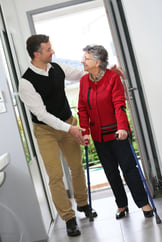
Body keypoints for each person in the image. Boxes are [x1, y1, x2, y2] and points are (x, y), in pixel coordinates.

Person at [19, 35, 124, 237]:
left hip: (68, 123)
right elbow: (41, 114)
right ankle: (69, 218)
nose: (53, 52)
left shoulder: (57, 68)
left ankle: (83, 205)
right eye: (48, 49)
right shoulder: (26, 83)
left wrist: (107, 71)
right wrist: (71, 129)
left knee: (76, 168)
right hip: (45, 131)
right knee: (56, 176)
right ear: (36, 54)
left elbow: (81, 74)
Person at [78, 44, 153, 220]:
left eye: (86, 58)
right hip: (98, 136)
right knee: (111, 172)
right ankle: (121, 205)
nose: (83, 61)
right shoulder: (84, 81)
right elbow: (82, 108)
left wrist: (122, 128)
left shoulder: (112, 78)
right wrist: (85, 132)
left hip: (117, 134)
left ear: (98, 62)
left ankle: (144, 203)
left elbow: (119, 104)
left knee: (129, 169)